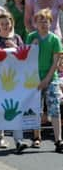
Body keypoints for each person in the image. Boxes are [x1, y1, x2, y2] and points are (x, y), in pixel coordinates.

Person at [26, 9, 63, 153]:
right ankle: (36, 136)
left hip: (50, 77)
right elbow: (25, 58)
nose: (43, 24)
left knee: (55, 108)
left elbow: (55, 62)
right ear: (35, 23)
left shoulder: (54, 39)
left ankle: (58, 139)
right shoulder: (31, 37)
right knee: (37, 108)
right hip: (34, 78)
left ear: (50, 22)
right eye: (40, 21)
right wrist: (32, 47)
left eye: (46, 21)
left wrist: (46, 80)